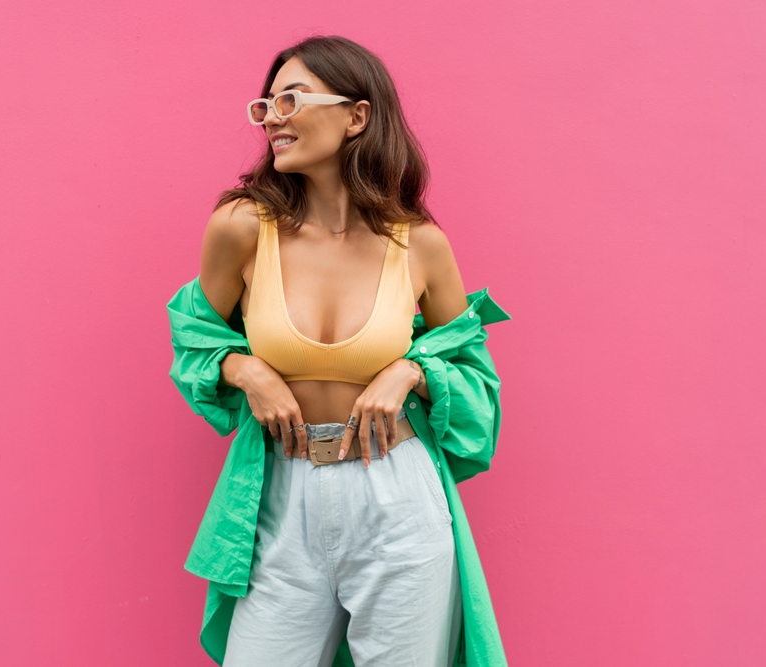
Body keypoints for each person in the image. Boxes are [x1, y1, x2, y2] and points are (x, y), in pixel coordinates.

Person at [168, 35, 510, 666]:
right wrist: (244, 369)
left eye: (291, 100)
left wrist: (411, 370)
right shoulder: (242, 227)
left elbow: (474, 376)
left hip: (397, 498)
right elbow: (193, 342)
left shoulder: (420, 243)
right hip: (281, 493)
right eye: (265, 105)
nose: (272, 117)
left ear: (356, 116)